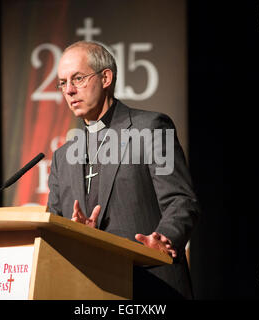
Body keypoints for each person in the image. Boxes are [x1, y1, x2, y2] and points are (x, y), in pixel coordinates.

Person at [47, 40, 199, 299]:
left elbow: (180, 201)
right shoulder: (63, 158)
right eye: (62, 83)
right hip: (89, 291)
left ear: (106, 77)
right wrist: (78, 235)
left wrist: (163, 239)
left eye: (78, 78)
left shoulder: (150, 128)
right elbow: (52, 228)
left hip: (151, 284)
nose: (69, 90)